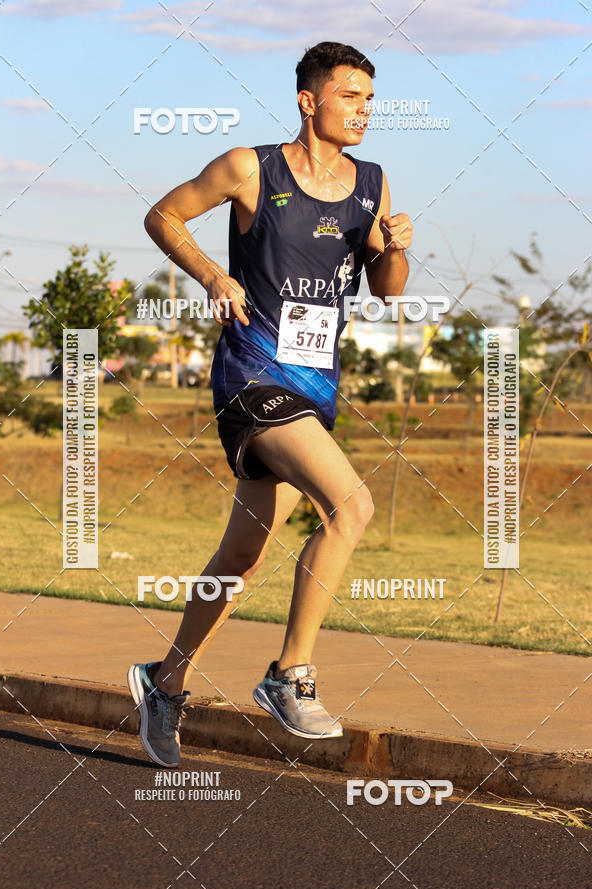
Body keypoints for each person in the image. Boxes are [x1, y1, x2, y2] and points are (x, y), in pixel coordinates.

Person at [128, 41, 413, 767]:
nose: (363, 111)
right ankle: (289, 674)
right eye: (350, 96)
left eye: (370, 99)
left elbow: (389, 289)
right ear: (308, 100)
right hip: (253, 377)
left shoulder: (371, 182)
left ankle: (164, 683)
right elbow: (163, 216)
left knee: (242, 556)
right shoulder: (251, 167)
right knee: (350, 508)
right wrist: (214, 277)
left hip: (316, 385)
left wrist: (396, 247)